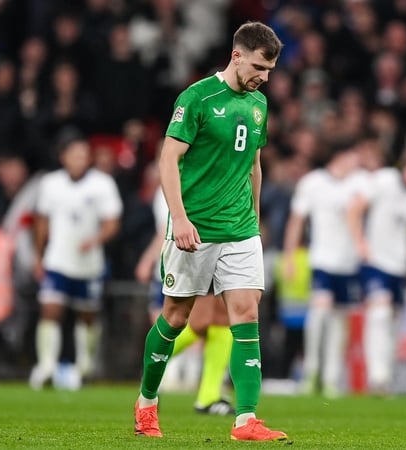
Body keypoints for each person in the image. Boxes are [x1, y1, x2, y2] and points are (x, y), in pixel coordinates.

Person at [133, 22, 286, 441]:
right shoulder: (197, 98)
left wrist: (254, 219)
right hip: (196, 229)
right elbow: (168, 160)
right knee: (176, 317)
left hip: (240, 230)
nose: (264, 77)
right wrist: (180, 219)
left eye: (269, 70)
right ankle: (147, 402)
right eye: (258, 67)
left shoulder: (258, 104)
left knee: (246, 314)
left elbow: (254, 164)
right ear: (236, 56)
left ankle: (246, 420)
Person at [29, 131, 123, 390]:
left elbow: (112, 222)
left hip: (88, 263)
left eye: (84, 154)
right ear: (63, 156)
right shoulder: (50, 183)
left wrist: (96, 239)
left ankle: (85, 366)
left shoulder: (103, 184)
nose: (80, 159)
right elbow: (42, 221)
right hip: (57, 259)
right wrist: (38, 256)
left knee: (87, 315)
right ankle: (46, 366)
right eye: (75, 154)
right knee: (50, 309)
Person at [134, 187, 234, 414]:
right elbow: (168, 226)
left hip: (216, 240)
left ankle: (209, 395)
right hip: (192, 248)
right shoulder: (177, 180)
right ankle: (152, 368)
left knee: (220, 318)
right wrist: (148, 259)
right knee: (195, 321)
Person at [346, 152, 406, 393]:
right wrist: (360, 242)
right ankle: (377, 376)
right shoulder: (385, 179)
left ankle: (385, 377)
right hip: (376, 261)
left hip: (400, 266)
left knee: (394, 322)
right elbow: (355, 209)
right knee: (380, 314)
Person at [283, 140, 366, 398]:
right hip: (321, 260)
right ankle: (311, 371)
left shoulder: (360, 182)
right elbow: (297, 220)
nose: (357, 162)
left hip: (349, 262)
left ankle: (331, 378)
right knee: (319, 313)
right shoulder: (313, 182)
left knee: (340, 321)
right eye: (353, 156)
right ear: (341, 156)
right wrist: (289, 257)